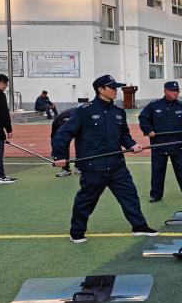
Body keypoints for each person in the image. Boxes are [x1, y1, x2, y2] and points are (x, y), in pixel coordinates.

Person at [52, 75, 159, 243]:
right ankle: (77, 232)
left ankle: (139, 227)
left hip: (117, 165)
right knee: (86, 201)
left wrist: (132, 144)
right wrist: (60, 156)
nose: (116, 90)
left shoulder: (119, 112)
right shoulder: (84, 111)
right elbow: (63, 134)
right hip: (93, 166)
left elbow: (124, 135)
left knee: (130, 196)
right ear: (101, 89)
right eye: (112, 88)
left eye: (116, 87)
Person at [51, 107, 78, 177]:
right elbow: (55, 140)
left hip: (74, 119)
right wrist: (55, 155)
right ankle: (66, 169)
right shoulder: (58, 124)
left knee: (82, 142)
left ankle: (79, 166)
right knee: (61, 143)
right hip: (64, 121)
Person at [0, 73, 15, 184]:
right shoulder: (0, 95)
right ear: (1, 82)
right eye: (6, 84)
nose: (6, 86)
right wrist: (9, 130)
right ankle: (0, 176)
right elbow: (4, 113)